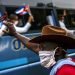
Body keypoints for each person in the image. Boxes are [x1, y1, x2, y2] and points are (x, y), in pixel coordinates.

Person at [3, 22, 75, 75]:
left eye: (42, 48)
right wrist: (15, 34)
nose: (39, 52)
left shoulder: (65, 72)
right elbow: (34, 47)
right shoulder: (62, 61)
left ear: (58, 51)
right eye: (40, 48)